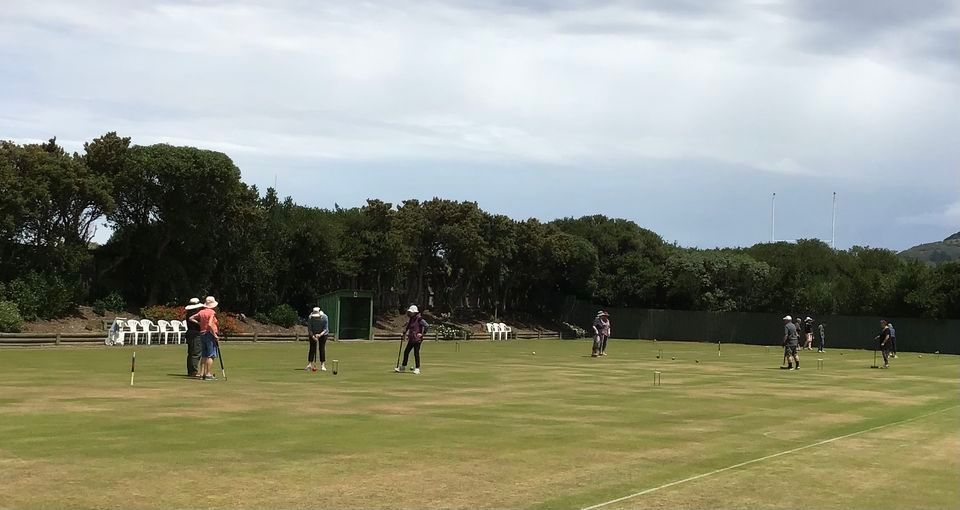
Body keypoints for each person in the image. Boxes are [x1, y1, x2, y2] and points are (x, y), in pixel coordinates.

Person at [189, 296, 220, 380]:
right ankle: (208, 374)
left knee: (204, 354)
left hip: (202, 334)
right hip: (209, 334)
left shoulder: (201, 312)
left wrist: (199, 323)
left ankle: (201, 373)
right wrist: (215, 335)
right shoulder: (212, 313)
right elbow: (210, 325)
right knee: (211, 355)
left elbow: (191, 318)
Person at [395, 305, 429, 375]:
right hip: (411, 338)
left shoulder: (419, 319)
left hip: (417, 339)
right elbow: (408, 327)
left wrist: (422, 334)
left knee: (416, 353)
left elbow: (426, 325)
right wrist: (404, 333)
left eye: (411, 312)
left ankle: (417, 368)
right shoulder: (411, 319)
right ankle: (403, 367)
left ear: (414, 312)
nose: (410, 313)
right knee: (406, 352)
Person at [183, 297, 204, 377]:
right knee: (195, 353)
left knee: (192, 353)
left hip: (191, 333)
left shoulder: (190, 313)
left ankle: (191, 371)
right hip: (195, 334)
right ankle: (193, 372)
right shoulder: (193, 314)